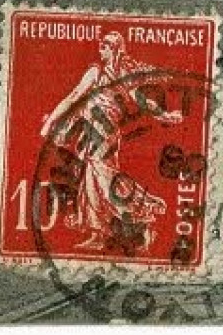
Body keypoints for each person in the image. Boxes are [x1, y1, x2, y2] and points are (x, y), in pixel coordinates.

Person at [40, 32, 183, 251]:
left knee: (106, 182)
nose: (101, 49)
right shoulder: (94, 72)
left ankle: (142, 214)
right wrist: (52, 120)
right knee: (91, 183)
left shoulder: (122, 73)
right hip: (91, 132)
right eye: (101, 45)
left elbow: (141, 100)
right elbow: (74, 95)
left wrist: (164, 115)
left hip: (107, 134)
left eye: (106, 46)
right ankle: (101, 233)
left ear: (116, 49)